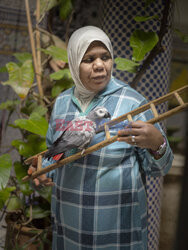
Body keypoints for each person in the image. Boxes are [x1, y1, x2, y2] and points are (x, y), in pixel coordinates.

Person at [29, 26, 173, 249]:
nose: (99, 65)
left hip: (116, 229)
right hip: (70, 226)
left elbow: (159, 169)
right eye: (89, 59)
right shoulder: (62, 103)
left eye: (105, 57)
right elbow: (55, 154)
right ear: (75, 62)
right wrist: (45, 172)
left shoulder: (133, 103)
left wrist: (157, 143)